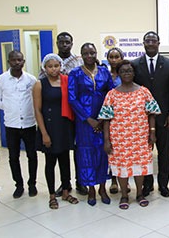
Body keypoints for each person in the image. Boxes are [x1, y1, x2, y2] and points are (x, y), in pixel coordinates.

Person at [99, 60, 161, 209]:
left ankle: (139, 193)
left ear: (134, 73)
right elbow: (106, 119)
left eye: (129, 71)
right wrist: (107, 140)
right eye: (123, 71)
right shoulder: (111, 94)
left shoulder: (144, 91)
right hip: (119, 138)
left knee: (139, 167)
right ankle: (124, 195)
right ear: (119, 74)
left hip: (140, 137)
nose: (126, 73)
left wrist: (152, 132)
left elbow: (152, 113)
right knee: (121, 168)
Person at [131, 31, 169, 198]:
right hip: (141, 118)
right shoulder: (135, 64)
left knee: (164, 153)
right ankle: (148, 184)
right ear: (143, 44)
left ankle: (163, 185)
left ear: (159, 43)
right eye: (147, 41)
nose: (150, 43)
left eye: (153, 41)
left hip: (164, 117)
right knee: (145, 154)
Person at [40, 32, 87, 196]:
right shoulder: (50, 60)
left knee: (78, 150)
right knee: (61, 152)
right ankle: (64, 185)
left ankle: (80, 182)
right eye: (61, 42)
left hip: (77, 113)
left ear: (72, 43)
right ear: (57, 43)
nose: (64, 45)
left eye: (67, 42)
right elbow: (43, 88)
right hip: (57, 116)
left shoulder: (80, 61)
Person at [68, 43, 114, 206]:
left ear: (96, 54)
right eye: (86, 53)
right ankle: (92, 190)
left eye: (92, 52)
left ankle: (102, 188)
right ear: (81, 55)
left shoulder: (103, 71)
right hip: (84, 122)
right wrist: (89, 119)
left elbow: (111, 93)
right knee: (86, 155)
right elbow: (72, 98)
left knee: (102, 154)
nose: (89, 55)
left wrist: (102, 119)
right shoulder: (75, 73)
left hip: (103, 121)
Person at [33, 54, 79, 209]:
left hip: (65, 126)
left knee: (65, 160)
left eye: (56, 66)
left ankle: (66, 191)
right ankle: (52, 195)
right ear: (44, 68)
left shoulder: (66, 81)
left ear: (61, 66)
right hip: (50, 127)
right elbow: (38, 110)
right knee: (50, 162)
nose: (53, 69)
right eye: (50, 66)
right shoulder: (40, 84)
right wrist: (44, 133)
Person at [0, 51, 38, 198]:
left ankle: (32, 184)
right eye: (13, 60)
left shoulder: (31, 79)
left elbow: (36, 98)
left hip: (29, 123)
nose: (17, 62)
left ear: (23, 62)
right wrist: (11, 107)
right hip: (11, 125)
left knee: (32, 155)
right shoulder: (0, 80)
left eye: (19, 60)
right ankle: (19, 185)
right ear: (8, 62)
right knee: (13, 157)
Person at [105, 47, 124, 194]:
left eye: (117, 56)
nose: (114, 59)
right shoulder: (103, 73)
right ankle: (113, 181)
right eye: (111, 57)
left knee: (124, 150)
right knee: (111, 150)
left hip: (124, 118)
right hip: (108, 116)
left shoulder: (127, 73)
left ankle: (125, 180)